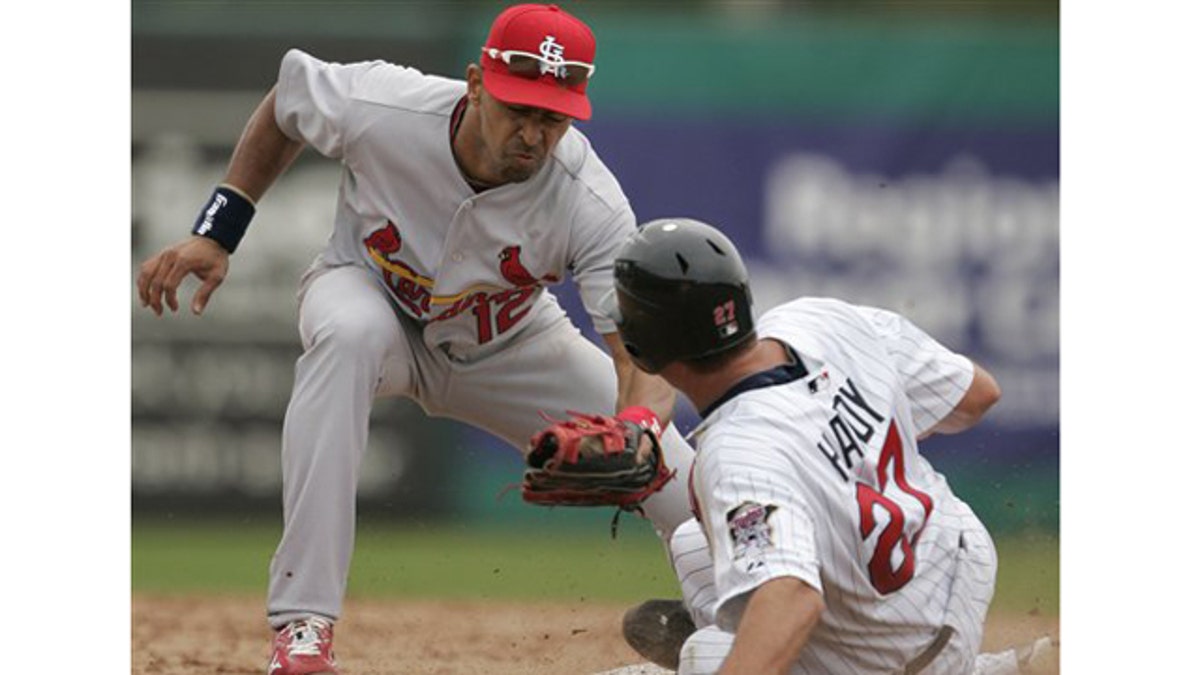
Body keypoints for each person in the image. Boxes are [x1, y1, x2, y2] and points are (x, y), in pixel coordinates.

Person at [134, 5, 699, 674]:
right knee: (345, 335)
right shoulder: (385, 105)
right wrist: (219, 227)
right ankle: (303, 628)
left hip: (511, 346)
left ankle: (725, 616)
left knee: (691, 484)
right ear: (476, 84)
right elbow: (288, 100)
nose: (533, 132)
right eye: (519, 107)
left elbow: (639, 351)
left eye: (553, 116)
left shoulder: (587, 198)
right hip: (371, 301)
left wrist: (636, 423)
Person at [607, 218, 1056, 674]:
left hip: (897, 653)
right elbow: (980, 395)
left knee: (703, 657)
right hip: (957, 558)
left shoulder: (739, 452)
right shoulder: (819, 320)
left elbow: (794, 599)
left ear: (643, 348)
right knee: (692, 545)